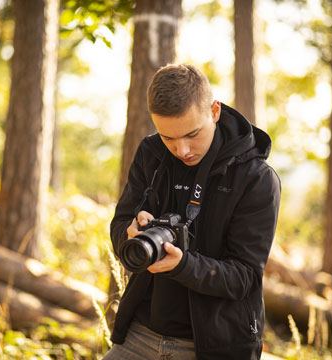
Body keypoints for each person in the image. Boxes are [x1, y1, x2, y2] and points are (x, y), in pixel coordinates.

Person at [104, 64, 281, 360]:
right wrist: (130, 233)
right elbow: (120, 224)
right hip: (139, 334)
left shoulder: (256, 178)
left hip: (214, 346)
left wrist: (183, 265)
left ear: (214, 111)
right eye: (168, 138)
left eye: (191, 134)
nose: (182, 149)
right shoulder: (151, 152)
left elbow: (245, 277)